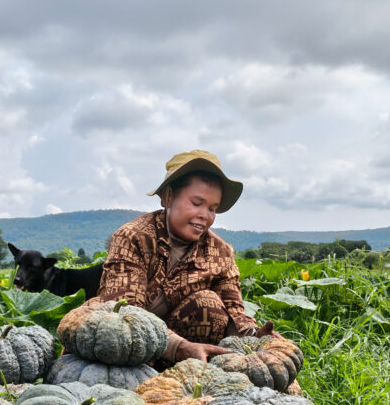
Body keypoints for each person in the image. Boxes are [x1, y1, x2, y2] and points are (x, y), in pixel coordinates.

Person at [94, 149, 279, 363]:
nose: (205, 215)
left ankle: (181, 373)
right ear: (168, 197)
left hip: (187, 358)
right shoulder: (134, 237)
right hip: (122, 349)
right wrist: (179, 347)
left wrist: (255, 336)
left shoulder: (221, 252)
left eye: (212, 209)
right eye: (197, 203)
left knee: (208, 305)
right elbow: (123, 312)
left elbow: (234, 312)